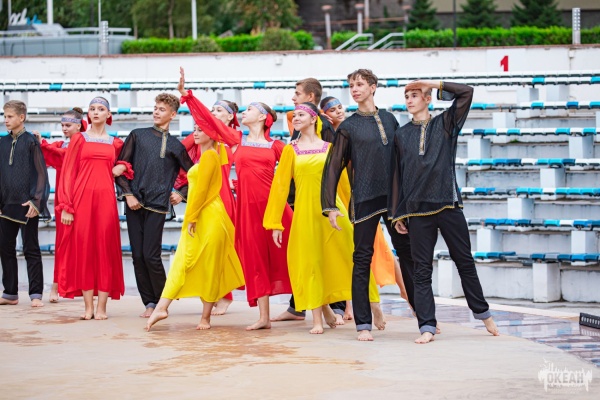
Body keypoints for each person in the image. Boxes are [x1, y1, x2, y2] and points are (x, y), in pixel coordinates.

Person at [389, 80, 499, 344]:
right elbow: (397, 176)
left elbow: (466, 93)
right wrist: (397, 214)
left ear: (428, 99)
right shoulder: (401, 135)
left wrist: (431, 84)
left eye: (415, 95)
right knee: (421, 271)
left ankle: (484, 314)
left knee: (464, 261)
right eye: (406, 96)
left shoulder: (446, 123)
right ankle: (427, 325)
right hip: (417, 211)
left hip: (448, 205)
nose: (409, 100)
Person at [322, 69, 416, 342]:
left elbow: (402, 160)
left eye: (360, 84)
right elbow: (333, 167)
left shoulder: (389, 119)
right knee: (362, 259)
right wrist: (330, 205)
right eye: (351, 85)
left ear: (373, 87)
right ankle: (363, 323)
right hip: (364, 199)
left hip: (394, 199)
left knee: (407, 254)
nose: (355, 89)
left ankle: (424, 316)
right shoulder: (348, 127)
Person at [146, 122, 245, 332]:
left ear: (211, 134)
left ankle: (204, 317)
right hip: (199, 216)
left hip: (208, 216)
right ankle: (162, 307)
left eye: (201, 130)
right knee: (183, 262)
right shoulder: (205, 156)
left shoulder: (210, 156)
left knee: (208, 267)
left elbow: (201, 191)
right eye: (195, 129)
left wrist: (191, 217)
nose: (196, 133)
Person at [273, 78, 347, 324]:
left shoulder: (328, 138)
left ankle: (350, 306)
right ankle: (317, 311)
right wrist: (275, 221)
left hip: (329, 205)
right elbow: (280, 185)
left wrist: (347, 205)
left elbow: (339, 176)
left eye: (297, 94)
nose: (293, 100)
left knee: (341, 252)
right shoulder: (292, 144)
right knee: (309, 258)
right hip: (304, 205)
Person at [113, 93, 194, 318]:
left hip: (158, 205)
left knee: (151, 255)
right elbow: (121, 166)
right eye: (156, 108)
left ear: (173, 114)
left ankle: (161, 302)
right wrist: (128, 195)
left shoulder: (176, 146)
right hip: (134, 202)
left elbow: (194, 175)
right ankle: (149, 302)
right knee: (137, 256)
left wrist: (181, 193)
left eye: (162, 109)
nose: (157, 112)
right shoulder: (137, 135)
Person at [175, 67, 241, 316]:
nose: (213, 114)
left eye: (218, 111)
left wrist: (188, 97)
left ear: (230, 117)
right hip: (201, 194)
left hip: (220, 196)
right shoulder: (204, 135)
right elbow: (179, 151)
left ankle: (224, 295)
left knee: (219, 247)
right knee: (201, 245)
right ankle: (207, 293)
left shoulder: (231, 135)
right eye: (211, 110)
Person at [56, 96, 128, 320]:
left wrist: (122, 166)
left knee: (105, 249)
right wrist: (66, 206)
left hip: (106, 200)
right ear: (88, 114)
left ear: (109, 115)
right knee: (85, 250)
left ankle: (102, 308)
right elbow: (68, 172)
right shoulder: (78, 139)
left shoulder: (116, 143)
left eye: (101, 109)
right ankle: (88, 307)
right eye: (92, 109)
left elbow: (128, 163)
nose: (96, 112)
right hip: (81, 200)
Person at [237, 101, 293, 330]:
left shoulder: (276, 145)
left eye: (249, 109)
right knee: (256, 259)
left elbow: (298, 170)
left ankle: (326, 310)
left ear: (262, 117)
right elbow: (210, 124)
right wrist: (188, 98)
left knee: (295, 255)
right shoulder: (236, 140)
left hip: (275, 209)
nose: (244, 112)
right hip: (248, 211)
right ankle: (264, 318)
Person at [0, 100, 50, 307]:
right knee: (5, 248)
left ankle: (36, 293)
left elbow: (41, 173)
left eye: (10, 116)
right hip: (6, 204)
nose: (6, 120)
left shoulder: (31, 142)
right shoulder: (2, 142)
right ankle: (10, 293)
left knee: (31, 248)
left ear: (21, 117)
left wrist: (36, 201)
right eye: (4, 116)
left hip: (27, 205)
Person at [34, 108, 87, 303]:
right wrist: (41, 143)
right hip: (64, 197)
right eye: (63, 125)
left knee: (84, 242)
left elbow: (61, 154)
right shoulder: (61, 144)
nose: (64, 128)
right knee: (63, 242)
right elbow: (53, 154)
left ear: (79, 126)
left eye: (68, 125)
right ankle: (56, 286)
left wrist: (44, 144)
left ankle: (87, 286)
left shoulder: (85, 144)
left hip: (82, 195)